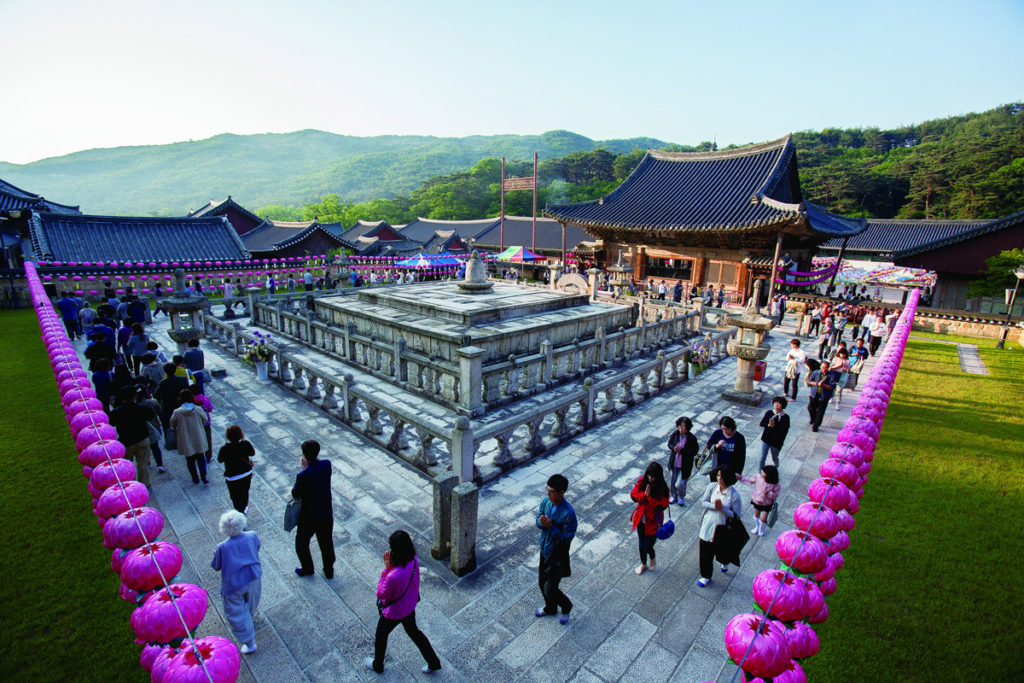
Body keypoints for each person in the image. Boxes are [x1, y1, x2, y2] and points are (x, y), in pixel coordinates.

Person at [365, 530, 441, 675]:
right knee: (414, 632)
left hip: (395, 611)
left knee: (381, 635)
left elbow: (381, 594)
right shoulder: (413, 559)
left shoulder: (393, 575)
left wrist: (386, 570)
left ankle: (378, 665)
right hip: (409, 605)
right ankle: (433, 662)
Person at [211, 510, 262, 655]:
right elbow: (257, 547)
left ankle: (249, 642)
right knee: (252, 602)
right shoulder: (252, 535)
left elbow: (216, 565)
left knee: (236, 612)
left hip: (233, 584)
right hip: (253, 576)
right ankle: (249, 618)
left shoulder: (222, 547)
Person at [535, 473, 576, 624]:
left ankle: (566, 606)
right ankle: (550, 608)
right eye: (548, 490)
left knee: (550, 588)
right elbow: (539, 518)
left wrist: (551, 526)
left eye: (552, 491)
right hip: (544, 549)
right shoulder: (547, 502)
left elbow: (567, 538)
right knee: (541, 582)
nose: (548, 494)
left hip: (557, 555)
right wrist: (542, 522)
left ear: (561, 492)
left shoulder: (568, 513)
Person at [292, 440, 335, 578]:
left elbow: (295, 493)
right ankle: (329, 569)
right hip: (325, 512)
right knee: (326, 543)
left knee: (301, 543)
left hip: (308, 516)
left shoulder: (303, 475)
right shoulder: (326, 464)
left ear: (304, 455)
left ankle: (307, 568)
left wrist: (305, 469)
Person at [697, 467, 742, 586]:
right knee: (705, 551)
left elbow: (736, 515)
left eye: (722, 477)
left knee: (722, 552)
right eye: (718, 476)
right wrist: (714, 506)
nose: (719, 479)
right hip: (708, 524)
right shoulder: (712, 487)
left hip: (722, 527)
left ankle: (725, 562)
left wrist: (724, 509)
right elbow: (703, 502)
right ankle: (706, 575)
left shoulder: (735, 495)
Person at [108, 386, 154, 487]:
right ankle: (144, 484)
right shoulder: (142, 408)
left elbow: (110, 423)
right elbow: (151, 416)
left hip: (126, 442)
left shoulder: (116, 412)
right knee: (143, 464)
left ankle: (130, 484)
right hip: (142, 438)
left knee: (127, 465)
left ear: (122, 398)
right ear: (135, 396)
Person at [630, 462, 670, 575]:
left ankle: (652, 557)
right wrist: (644, 496)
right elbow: (633, 495)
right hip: (641, 520)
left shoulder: (662, 488)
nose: (650, 478)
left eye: (653, 476)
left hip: (653, 522)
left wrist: (650, 497)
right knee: (641, 543)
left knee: (648, 545)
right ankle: (643, 563)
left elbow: (663, 505)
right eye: (649, 475)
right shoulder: (643, 481)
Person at [169, 389, 209, 485]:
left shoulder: (177, 412)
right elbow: (205, 419)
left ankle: (195, 478)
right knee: (201, 458)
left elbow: (172, 424)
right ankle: (203, 476)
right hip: (198, 438)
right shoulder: (198, 409)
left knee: (190, 460)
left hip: (185, 439)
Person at [218, 425, 256, 513]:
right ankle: (244, 508)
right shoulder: (245, 444)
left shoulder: (225, 448)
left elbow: (220, 459)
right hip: (246, 473)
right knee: (245, 492)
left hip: (232, 477)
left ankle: (240, 513)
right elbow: (252, 453)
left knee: (235, 496)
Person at [666, 416, 698, 506]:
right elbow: (669, 443)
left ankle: (681, 496)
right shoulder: (675, 434)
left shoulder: (692, 438)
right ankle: (673, 496)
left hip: (685, 465)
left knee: (680, 483)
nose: (681, 428)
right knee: (673, 481)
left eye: (683, 426)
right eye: (679, 426)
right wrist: (674, 448)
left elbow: (694, 451)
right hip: (674, 462)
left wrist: (682, 451)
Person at [154, 362, 188, 442]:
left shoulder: (163, 382)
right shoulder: (183, 379)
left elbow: (156, 394)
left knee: (167, 425)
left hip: (167, 406)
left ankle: (170, 441)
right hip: (181, 404)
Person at [746, 465, 780, 537]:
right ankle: (757, 527)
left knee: (763, 518)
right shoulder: (758, 477)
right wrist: (740, 478)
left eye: (764, 472)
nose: (761, 472)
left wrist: (768, 493)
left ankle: (761, 529)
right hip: (757, 501)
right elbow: (749, 480)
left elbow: (776, 494)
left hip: (766, 504)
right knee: (756, 515)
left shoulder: (775, 484)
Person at [807, 359, 840, 432]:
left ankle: (816, 425)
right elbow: (809, 381)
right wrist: (817, 384)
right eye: (822, 367)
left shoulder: (831, 375)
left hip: (824, 395)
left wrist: (823, 385)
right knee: (811, 408)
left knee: (820, 411)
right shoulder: (816, 373)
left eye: (825, 368)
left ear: (828, 368)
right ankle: (813, 419)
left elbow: (832, 387)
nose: (824, 369)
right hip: (814, 393)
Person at [758, 397, 790, 471]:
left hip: (776, 442)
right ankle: (760, 472)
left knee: (774, 457)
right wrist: (768, 425)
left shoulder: (785, 417)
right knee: (762, 457)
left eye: (779, 404)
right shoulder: (769, 413)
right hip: (766, 439)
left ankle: (776, 466)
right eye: (775, 403)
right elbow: (761, 423)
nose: (776, 405)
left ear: (783, 406)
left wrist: (775, 426)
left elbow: (784, 431)